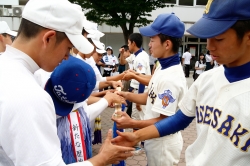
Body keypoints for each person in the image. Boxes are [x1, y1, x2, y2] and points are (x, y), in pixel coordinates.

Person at [112, 0, 250, 165]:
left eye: (218, 38)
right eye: (207, 37)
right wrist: (135, 135)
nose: (209, 46)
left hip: (164, 147)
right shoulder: (207, 78)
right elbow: (179, 119)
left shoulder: (174, 75)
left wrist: (134, 124)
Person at [0, 0, 134, 165]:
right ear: (48, 38)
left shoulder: (7, 71)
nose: (67, 57)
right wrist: (103, 159)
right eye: (68, 48)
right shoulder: (28, 96)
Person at [113, 13, 186, 166]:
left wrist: (131, 123)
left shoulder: (171, 77)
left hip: (163, 145)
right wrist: (124, 94)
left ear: (167, 44)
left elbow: (164, 121)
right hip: (155, 140)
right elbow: (149, 96)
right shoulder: (162, 67)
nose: (150, 44)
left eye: (153, 40)